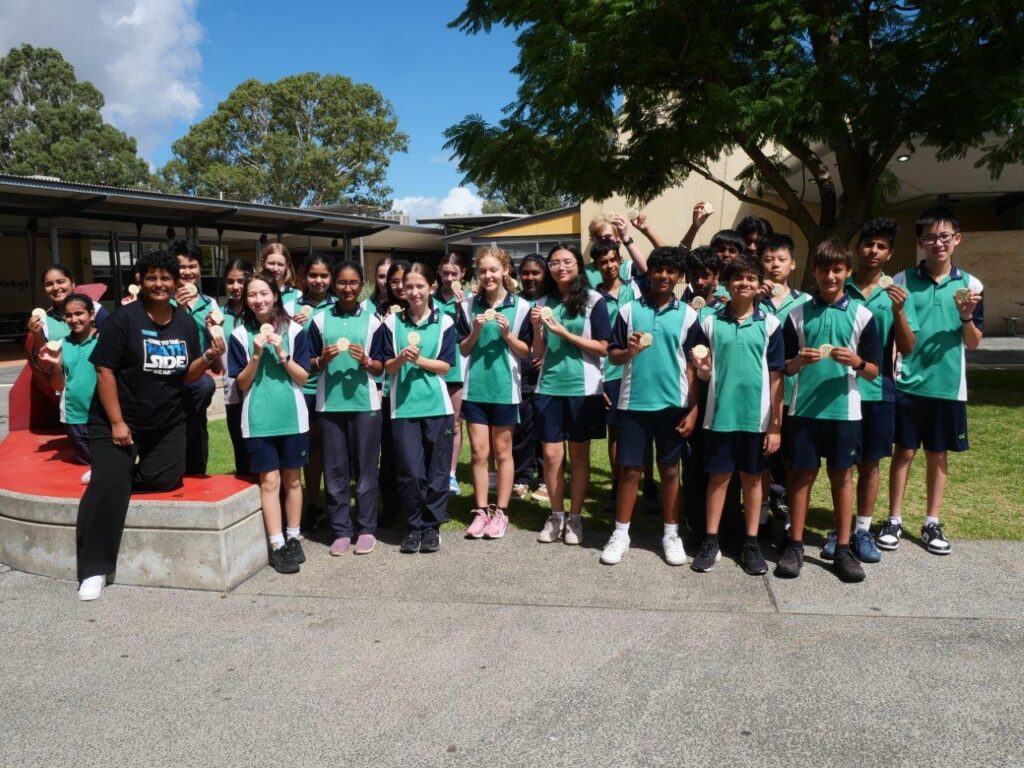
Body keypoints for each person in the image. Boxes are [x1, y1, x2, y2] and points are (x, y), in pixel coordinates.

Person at [75, 248, 225, 601]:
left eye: (165, 278)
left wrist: (208, 356)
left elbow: (187, 375)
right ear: (140, 281)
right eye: (152, 277)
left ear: (175, 282)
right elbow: (104, 370)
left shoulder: (184, 323)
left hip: (165, 421)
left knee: (166, 478)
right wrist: (117, 423)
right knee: (109, 487)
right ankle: (95, 569)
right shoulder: (123, 320)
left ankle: (113, 474)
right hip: (117, 420)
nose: (159, 283)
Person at [882, 207, 983, 556]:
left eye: (944, 237)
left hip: (948, 386)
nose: (938, 243)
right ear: (920, 243)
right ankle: (893, 519)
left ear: (957, 239)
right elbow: (897, 337)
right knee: (904, 452)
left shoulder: (971, 285)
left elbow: (973, 342)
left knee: (937, 454)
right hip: (908, 383)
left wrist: (966, 317)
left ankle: (931, 522)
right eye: (930, 238)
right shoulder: (901, 281)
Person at [779, 241, 881, 582]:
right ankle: (795, 545)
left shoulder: (863, 315)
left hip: (844, 412)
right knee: (801, 476)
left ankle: (843, 548)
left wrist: (857, 361)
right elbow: (784, 367)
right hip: (804, 410)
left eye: (837, 269)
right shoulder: (796, 314)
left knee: (842, 476)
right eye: (824, 269)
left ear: (848, 271)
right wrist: (797, 361)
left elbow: (874, 371)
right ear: (814, 272)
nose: (830, 276)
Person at [601, 247, 700, 566]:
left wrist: (693, 408)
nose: (664, 276)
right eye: (658, 270)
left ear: (679, 276)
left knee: (670, 470)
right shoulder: (628, 311)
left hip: (673, 405)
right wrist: (628, 351)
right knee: (630, 470)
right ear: (650, 272)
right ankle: (620, 534)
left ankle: (671, 534)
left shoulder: (689, 315)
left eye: (671, 271)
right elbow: (613, 355)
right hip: (634, 403)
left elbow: (694, 365)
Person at [690, 256, 784, 575]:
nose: (744, 283)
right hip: (719, 417)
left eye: (751, 278)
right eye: (738, 278)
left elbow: (776, 377)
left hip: (757, 419)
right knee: (718, 479)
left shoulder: (770, 324)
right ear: (727, 284)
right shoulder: (708, 322)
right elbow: (703, 372)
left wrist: (775, 425)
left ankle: (751, 543)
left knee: (753, 480)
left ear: (759, 285)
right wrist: (703, 370)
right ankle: (710, 541)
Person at [830, 219, 916, 564]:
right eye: (869, 244)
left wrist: (899, 312)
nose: (874, 251)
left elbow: (907, 347)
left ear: (890, 254)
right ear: (858, 247)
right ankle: (840, 530)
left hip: (879, 390)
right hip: (841, 390)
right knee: (841, 464)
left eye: (882, 246)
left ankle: (862, 530)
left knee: (870, 462)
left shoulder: (894, 293)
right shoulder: (839, 285)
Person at [229, 271, 311, 575]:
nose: (258, 299)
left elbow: (303, 377)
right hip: (258, 419)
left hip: (293, 416)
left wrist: (281, 352)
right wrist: (256, 354)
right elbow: (242, 383)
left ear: (275, 295)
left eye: (264, 293)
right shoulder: (239, 335)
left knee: (293, 480)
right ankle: (276, 544)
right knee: (269, 481)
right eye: (252, 294)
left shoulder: (296, 331)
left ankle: (294, 536)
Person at [533, 244, 611, 546]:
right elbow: (538, 353)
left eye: (567, 261)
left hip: (584, 388)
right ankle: (556, 515)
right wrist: (536, 328)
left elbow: (603, 347)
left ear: (578, 265)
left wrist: (565, 333)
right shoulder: (543, 302)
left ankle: (575, 517)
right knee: (551, 457)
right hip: (548, 387)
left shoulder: (594, 300)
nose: (561, 267)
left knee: (579, 456)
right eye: (554, 262)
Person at [307, 260, 385, 556]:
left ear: (361, 285)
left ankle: (365, 528)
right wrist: (322, 360)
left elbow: (381, 367)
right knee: (335, 469)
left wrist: (366, 361)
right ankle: (341, 529)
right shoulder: (318, 320)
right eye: (342, 282)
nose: (348, 288)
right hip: (329, 404)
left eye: (353, 282)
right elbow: (308, 363)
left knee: (365, 469)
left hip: (365, 404)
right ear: (333, 284)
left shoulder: (374, 321)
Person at [379, 262, 458, 554]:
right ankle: (413, 526)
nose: (413, 292)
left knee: (437, 471)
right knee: (411, 472)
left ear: (431, 288)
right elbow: (385, 367)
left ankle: (431, 527)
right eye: (408, 286)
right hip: (403, 408)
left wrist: (418, 360)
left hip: (437, 406)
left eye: (419, 286)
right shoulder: (392, 323)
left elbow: (446, 366)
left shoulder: (445, 322)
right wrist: (401, 358)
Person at [457, 247, 532, 540]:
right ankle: (480, 511)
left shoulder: (521, 307)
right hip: (475, 389)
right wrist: (475, 333)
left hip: (505, 390)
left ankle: (501, 512)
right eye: (482, 271)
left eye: (493, 270)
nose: (488, 275)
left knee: (502, 452)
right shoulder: (466, 306)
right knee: (478, 452)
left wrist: (507, 335)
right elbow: (463, 349)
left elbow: (526, 352)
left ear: (505, 271)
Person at [591, 238, 652, 512]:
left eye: (613, 259)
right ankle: (618, 488)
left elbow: (648, 268)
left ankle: (649, 486)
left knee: (645, 430)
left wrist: (629, 238)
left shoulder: (636, 287)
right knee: (615, 433)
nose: (609, 265)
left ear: (620, 260)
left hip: (641, 370)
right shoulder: (593, 298)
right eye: (603, 261)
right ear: (596, 266)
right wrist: (598, 381)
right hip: (610, 374)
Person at [759, 234, 811, 532]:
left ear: (793, 264)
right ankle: (761, 513)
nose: (774, 265)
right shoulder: (751, 300)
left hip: (794, 394)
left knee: (792, 459)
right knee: (761, 459)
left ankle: (792, 510)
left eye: (781, 259)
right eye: (768, 259)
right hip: (759, 393)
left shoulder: (805, 302)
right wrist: (755, 299)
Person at [293, 253, 336, 532]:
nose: (318, 281)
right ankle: (312, 504)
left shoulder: (339, 305)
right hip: (301, 385)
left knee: (330, 447)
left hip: (332, 385)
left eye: (324, 275)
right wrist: (290, 323)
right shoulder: (290, 306)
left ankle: (333, 504)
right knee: (307, 447)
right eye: (313, 275)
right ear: (304, 277)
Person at [35, 292, 99, 484]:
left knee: (106, 457)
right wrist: (56, 364)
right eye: (69, 315)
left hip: (102, 417)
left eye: (79, 313)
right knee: (87, 458)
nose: (74, 319)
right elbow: (57, 385)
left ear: (91, 314)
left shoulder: (106, 340)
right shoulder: (60, 345)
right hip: (73, 417)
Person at [169, 239, 219, 476]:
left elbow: (215, 346)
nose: (188, 272)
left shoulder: (210, 304)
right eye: (182, 267)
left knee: (197, 417)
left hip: (197, 373)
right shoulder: (163, 301)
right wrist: (179, 310)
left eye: (193, 266)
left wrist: (214, 331)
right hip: (169, 373)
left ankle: (197, 472)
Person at [511, 254, 552, 500]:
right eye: (525, 273)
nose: (530, 278)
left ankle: (547, 478)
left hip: (550, 376)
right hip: (523, 375)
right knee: (523, 428)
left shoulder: (555, 301)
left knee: (548, 429)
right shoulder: (516, 303)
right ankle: (522, 477)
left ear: (545, 274)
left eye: (535, 273)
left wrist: (547, 358)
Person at [377, 259, 411, 527]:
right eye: (393, 281)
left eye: (404, 281)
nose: (399, 286)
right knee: (388, 451)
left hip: (414, 391)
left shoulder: (423, 310)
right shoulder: (377, 312)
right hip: (387, 391)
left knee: (415, 451)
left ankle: (418, 502)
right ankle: (390, 504)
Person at [213, 259, 254, 475]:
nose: (236, 286)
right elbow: (216, 362)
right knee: (240, 446)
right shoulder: (218, 316)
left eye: (241, 280)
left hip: (259, 390)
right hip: (233, 392)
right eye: (230, 281)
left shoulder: (259, 312)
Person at [436, 253, 469, 496]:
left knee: (455, 423)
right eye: (445, 273)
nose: (449, 278)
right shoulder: (428, 298)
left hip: (457, 368)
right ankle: (432, 469)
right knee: (433, 422)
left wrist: (461, 309)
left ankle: (451, 474)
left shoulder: (469, 300)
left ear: (463, 274)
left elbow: (470, 333)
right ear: (439, 271)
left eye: (454, 273)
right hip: (432, 367)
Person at [582, 212, 653, 288]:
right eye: (599, 238)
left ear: (617, 237)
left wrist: (625, 237)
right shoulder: (585, 272)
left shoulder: (628, 267)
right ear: (592, 239)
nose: (604, 241)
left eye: (608, 237)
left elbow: (646, 272)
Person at [258, 242, 302, 315]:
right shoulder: (254, 293)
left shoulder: (298, 296)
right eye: (271, 263)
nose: (275, 269)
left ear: (287, 266)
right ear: (263, 263)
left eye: (280, 264)